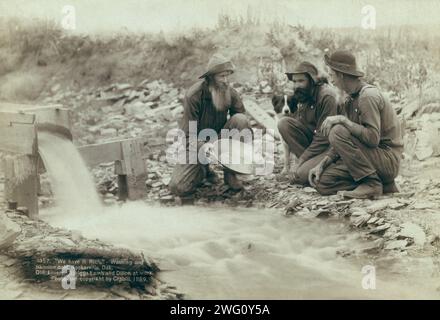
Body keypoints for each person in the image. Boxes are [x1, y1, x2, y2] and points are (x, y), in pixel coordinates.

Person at [309, 50, 403, 198]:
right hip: (371, 160)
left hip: (387, 160)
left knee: (337, 130)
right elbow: (346, 141)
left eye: (331, 74)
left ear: (340, 74)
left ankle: (371, 184)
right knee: (323, 183)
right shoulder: (350, 99)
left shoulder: (367, 96)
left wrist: (343, 120)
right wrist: (322, 164)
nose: (330, 78)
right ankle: (384, 184)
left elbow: (372, 139)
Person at [168, 53, 252, 196]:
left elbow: (242, 126)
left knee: (240, 119)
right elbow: (188, 136)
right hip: (196, 144)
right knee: (179, 188)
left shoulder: (230, 92)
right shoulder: (194, 96)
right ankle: (204, 170)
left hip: (220, 140)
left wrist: (238, 156)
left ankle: (230, 173)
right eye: (221, 76)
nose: (226, 81)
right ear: (210, 78)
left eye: (227, 76)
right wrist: (203, 146)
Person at [277, 61, 339, 184]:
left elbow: (323, 138)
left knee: (301, 176)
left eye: (301, 81)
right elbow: (301, 125)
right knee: (284, 123)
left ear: (312, 81)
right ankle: (308, 165)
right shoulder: (304, 95)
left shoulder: (326, 97)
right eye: (294, 82)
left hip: (330, 148)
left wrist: (301, 161)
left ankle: (323, 167)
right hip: (314, 145)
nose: (296, 86)